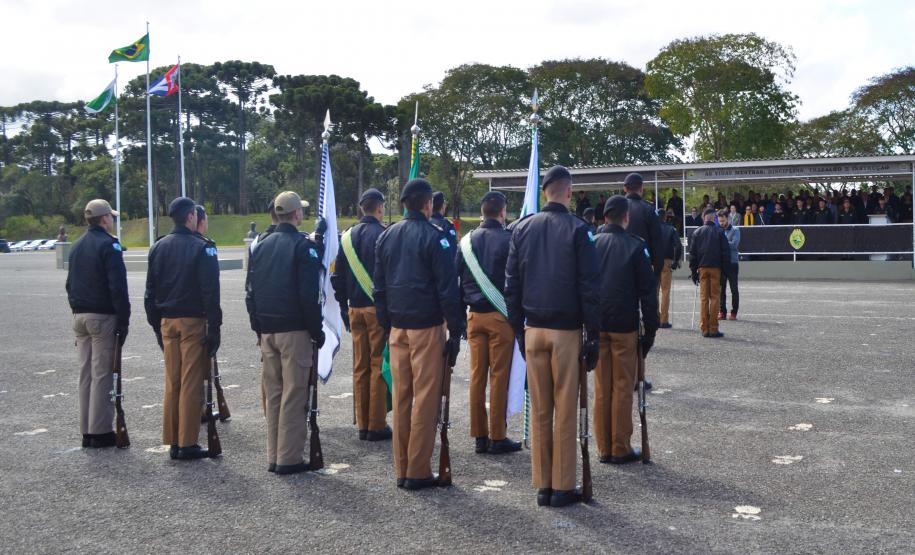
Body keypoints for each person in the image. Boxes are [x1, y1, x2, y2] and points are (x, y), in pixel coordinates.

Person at [505, 165, 599, 508]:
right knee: (564, 409)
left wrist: (518, 329)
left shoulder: (522, 228)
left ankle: (542, 483)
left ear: (545, 191)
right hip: (565, 331)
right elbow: (590, 288)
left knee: (542, 409)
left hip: (533, 329)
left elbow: (510, 285)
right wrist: (594, 335)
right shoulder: (579, 230)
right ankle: (562, 485)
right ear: (569, 192)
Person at [374, 178, 465, 491]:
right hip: (426, 328)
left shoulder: (387, 236)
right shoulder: (435, 237)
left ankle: (402, 467)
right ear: (428, 204)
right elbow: (447, 290)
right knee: (425, 399)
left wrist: (387, 325)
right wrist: (456, 330)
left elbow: (379, 288)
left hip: (398, 328)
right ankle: (418, 469)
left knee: (402, 398)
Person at [246, 191, 324, 475]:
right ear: (296, 215)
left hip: (268, 330)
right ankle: (289, 457)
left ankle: (274, 454)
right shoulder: (302, 247)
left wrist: (258, 327)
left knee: (275, 394)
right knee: (294, 394)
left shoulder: (261, 245)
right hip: (294, 330)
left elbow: (250, 292)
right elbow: (309, 296)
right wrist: (316, 331)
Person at [145, 197, 222, 460]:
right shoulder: (203, 248)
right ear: (191, 217)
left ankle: (173, 439)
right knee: (191, 383)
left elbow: (149, 292)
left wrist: (156, 325)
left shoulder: (158, 247)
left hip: (167, 320)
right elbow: (211, 292)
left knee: (173, 382)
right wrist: (215, 328)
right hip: (192, 321)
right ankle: (187, 441)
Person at [593, 196, 658, 465]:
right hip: (624, 326)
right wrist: (651, 332)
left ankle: (603, 447)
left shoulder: (591, 244)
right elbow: (648, 295)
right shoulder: (635, 247)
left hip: (597, 325)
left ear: (605, 218)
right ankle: (619, 446)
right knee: (622, 387)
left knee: (601, 387)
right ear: (626, 218)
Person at [455, 191, 520, 455]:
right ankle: (497, 436)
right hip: (500, 316)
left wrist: (460, 317)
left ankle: (479, 435)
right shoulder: (509, 240)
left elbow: (456, 280)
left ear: (482, 212)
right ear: (503, 212)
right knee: (499, 376)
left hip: (473, 316)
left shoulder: (466, 241)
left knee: (476, 377)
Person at [66, 199, 130, 449]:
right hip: (102, 316)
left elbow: (70, 284)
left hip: (79, 315)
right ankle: (100, 430)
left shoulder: (77, 245)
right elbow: (117, 287)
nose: (112, 220)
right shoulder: (109, 245)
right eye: (110, 217)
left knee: (86, 374)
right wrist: (123, 320)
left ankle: (86, 429)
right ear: (104, 219)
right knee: (102, 373)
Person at [332, 188, 391, 442]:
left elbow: (337, 278)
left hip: (354, 308)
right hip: (377, 310)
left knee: (360, 366)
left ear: (360, 209)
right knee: (378, 365)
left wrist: (344, 308)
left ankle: (363, 423)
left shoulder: (347, 237)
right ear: (380, 208)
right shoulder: (385, 235)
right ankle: (376, 424)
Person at [688, 208, 728, 338]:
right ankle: (713, 328)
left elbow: (692, 254)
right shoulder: (720, 232)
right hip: (716, 268)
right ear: (713, 218)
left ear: (704, 218)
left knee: (704, 298)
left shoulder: (697, 232)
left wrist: (693, 271)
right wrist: (725, 271)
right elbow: (725, 253)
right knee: (715, 298)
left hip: (702, 268)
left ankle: (705, 328)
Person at [623, 173, 664, 279]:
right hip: (643, 266)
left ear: (625, 188)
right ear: (641, 188)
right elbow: (657, 242)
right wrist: (657, 270)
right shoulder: (649, 210)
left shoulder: (616, 208)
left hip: (618, 266)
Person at [657, 208, 682, 329]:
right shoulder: (671, 229)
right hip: (666, 261)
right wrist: (676, 261)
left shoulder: (651, 229)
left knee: (654, 292)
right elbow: (678, 246)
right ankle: (664, 320)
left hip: (653, 262)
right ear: (665, 217)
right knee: (665, 291)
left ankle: (654, 318)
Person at [718, 210, 740, 321]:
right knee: (721, 290)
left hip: (732, 263)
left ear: (728, 219)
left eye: (723, 220)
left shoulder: (735, 230)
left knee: (734, 289)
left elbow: (734, 245)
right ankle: (722, 311)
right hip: (721, 264)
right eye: (720, 221)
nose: (721, 223)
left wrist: (722, 242)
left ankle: (734, 312)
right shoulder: (718, 231)